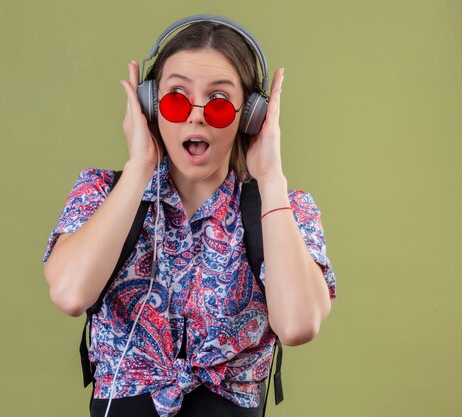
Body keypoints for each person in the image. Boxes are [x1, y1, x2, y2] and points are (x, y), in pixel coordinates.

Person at [42, 15, 336, 417]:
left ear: (249, 116)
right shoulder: (101, 192)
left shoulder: (286, 209)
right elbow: (70, 294)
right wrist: (139, 167)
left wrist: (270, 177)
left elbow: (300, 324)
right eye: (177, 98)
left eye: (217, 103)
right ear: (150, 105)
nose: (196, 116)